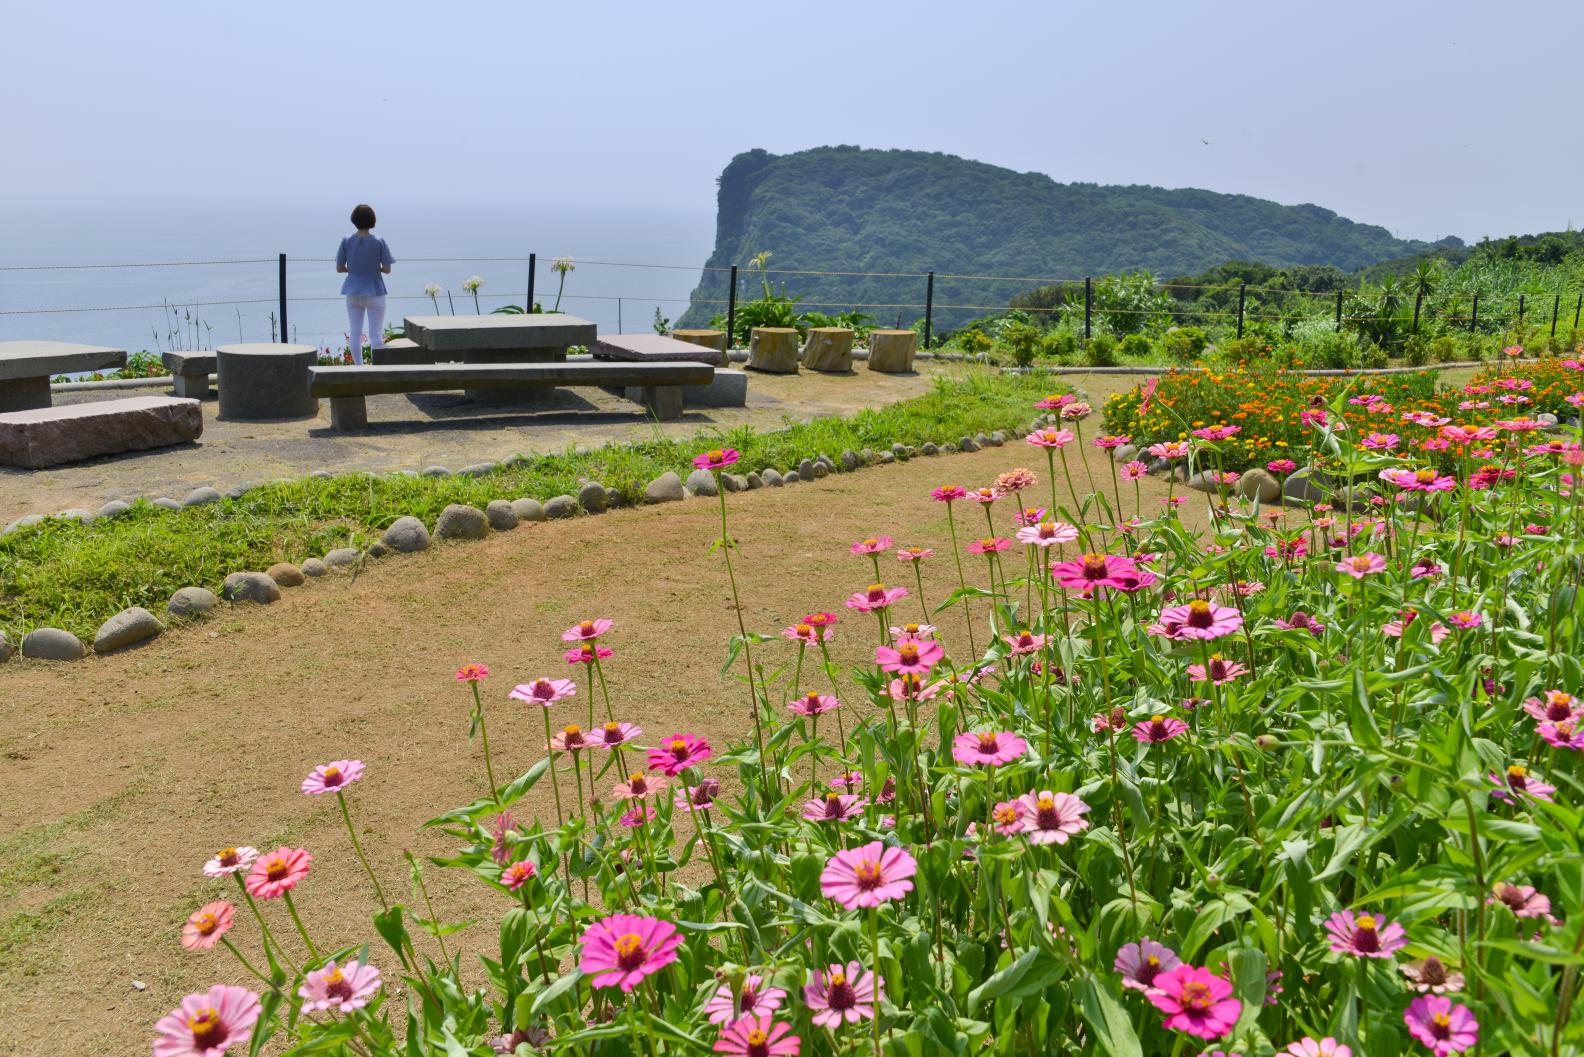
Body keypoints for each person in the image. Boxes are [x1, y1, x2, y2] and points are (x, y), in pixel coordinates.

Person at [335, 204, 394, 365]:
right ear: (372, 220)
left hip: (352, 292)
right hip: (375, 291)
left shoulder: (346, 241)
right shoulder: (379, 241)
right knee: (376, 334)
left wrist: (354, 270)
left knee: (355, 333)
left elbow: (339, 268)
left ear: (354, 220)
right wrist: (375, 269)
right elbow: (387, 269)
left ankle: (359, 368)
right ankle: (377, 369)